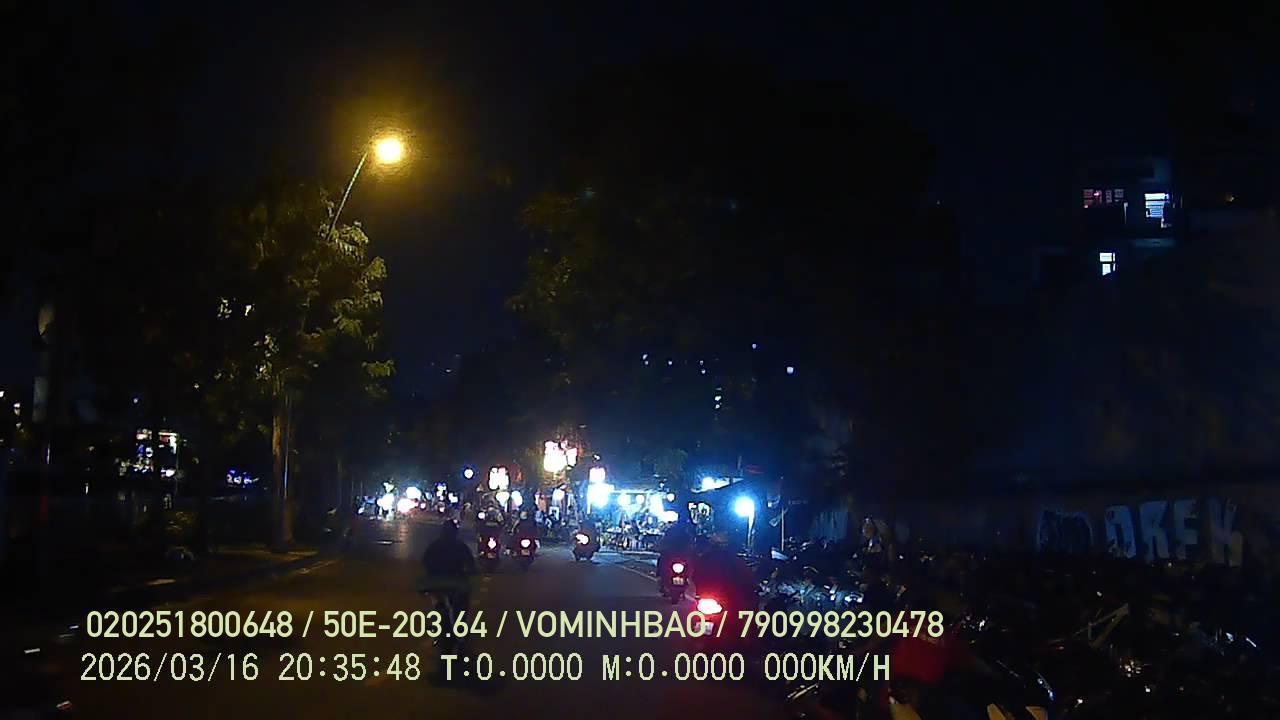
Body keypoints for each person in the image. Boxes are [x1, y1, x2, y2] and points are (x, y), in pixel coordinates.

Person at [420, 520, 476, 616]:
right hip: (454, 581)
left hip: (441, 581)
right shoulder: (461, 546)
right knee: (461, 604)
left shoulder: (435, 545)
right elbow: (470, 563)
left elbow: (425, 562)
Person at [657, 517, 696, 591]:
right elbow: (664, 542)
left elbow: (692, 545)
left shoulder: (687, 534)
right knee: (662, 561)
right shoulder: (672, 532)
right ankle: (661, 578)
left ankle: (689, 579)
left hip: (682, 556)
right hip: (671, 555)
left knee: (691, 565)